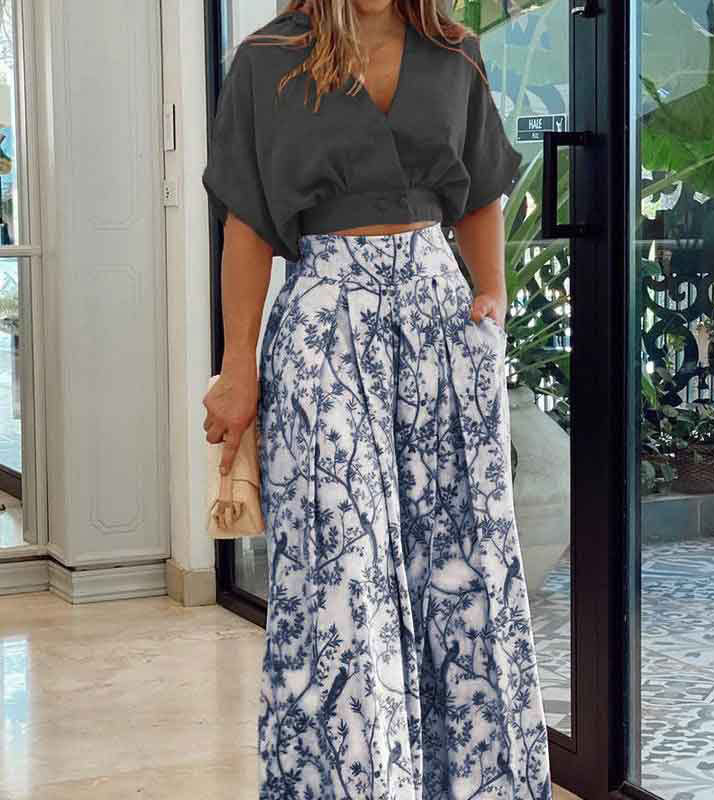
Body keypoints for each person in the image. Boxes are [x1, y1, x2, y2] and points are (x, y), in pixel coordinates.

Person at [201, 2, 553, 798]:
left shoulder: (453, 51)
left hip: (439, 325)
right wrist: (237, 367)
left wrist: (492, 298)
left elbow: (480, 192)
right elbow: (246, 228)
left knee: (462, 564)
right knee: (338, 573)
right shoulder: (268, 59)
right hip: (324, 325)